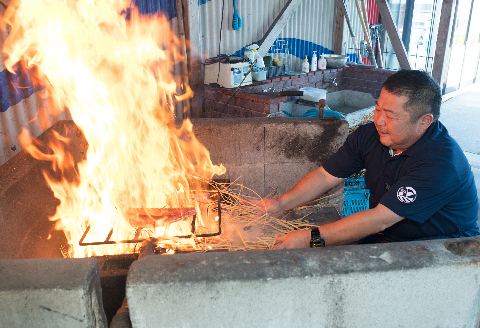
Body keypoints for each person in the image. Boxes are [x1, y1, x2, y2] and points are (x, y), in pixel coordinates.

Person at [257, 70, 479, 249]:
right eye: (377, 108)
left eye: (390, 115)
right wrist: (281, 204)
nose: (379, 121)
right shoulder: (370, 135)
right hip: (387, 234)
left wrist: (310, 238)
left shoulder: (440, 163)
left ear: (424, 121)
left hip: (444, 245)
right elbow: (326, 175)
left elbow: (380, 218)